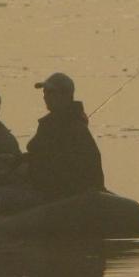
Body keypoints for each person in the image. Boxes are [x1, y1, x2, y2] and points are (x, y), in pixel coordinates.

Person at [25, 72, 105, 200]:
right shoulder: (65, 123)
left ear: (65, 96)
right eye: (44, 92)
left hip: (57, 192)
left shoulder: (63, 126)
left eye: (50, 92)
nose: (45, 97)